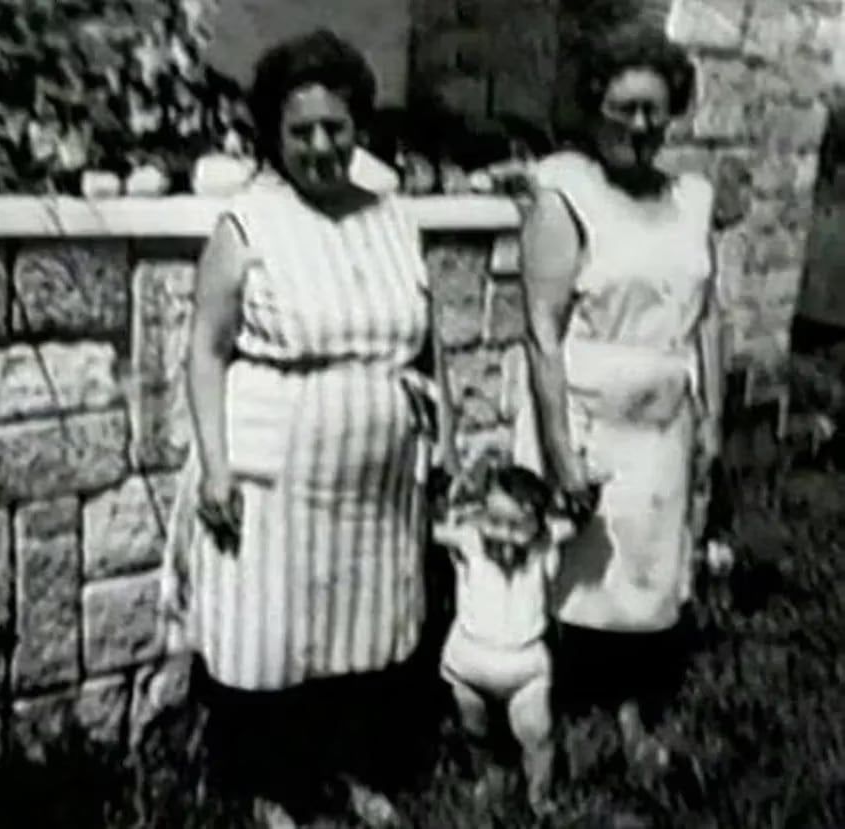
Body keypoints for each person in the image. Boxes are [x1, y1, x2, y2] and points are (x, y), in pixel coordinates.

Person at [159, 29, 456, 828]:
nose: (322, 146)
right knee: (272, 635)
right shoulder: (248, 223)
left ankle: (353, 771)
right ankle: (269, 787)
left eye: (336, 127)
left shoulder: (392, 216)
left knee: (364, 629)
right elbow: (205, 350)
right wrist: (216, 466)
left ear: (357, 124)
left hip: (377, 478)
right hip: (275, 471)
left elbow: (429, 343)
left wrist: (445, 442)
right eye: (301, 132)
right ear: (273, 135)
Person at [504, 23, 725, 771]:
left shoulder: (692, 197)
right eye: (624, 108)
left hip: (664, 416)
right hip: (588, 412)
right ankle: (550, 716)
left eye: (654, 110)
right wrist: (562, 450)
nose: (640, 125)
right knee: (574, 574)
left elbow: (709, 313)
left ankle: (632, 712)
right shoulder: (564, 190)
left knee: (647, 574)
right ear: (593, 106)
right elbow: (540, 330)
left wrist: (713, 419)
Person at [433, 453, 579, 815]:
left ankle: (539, 796)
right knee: (475, 730)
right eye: (494, 521)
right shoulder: (469, 542)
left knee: (538, 736)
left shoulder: (545, 547)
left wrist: (574, 488)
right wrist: (456, 494)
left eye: (517, 526)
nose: (504, 534)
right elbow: (430, 527)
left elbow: (575, 519)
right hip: (469, 664)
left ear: (538, 525)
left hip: (525, 668)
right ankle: (488, 777)